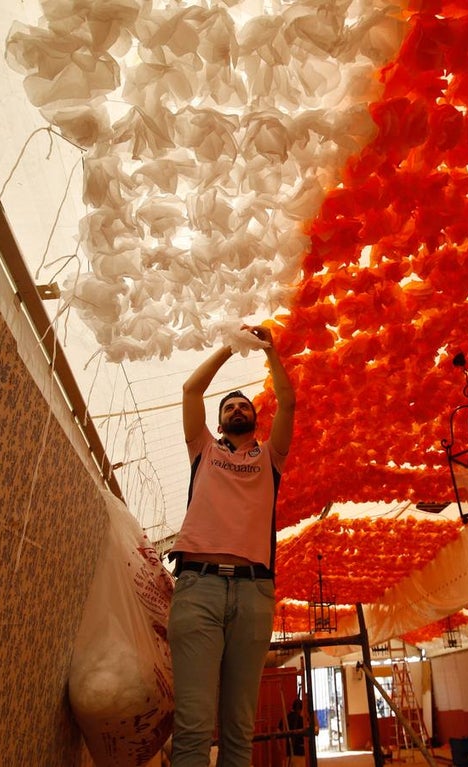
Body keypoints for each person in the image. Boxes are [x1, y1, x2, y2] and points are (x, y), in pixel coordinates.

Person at [167, 323, 296, 767]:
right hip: (197, 588)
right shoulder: (203, 449)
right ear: (220, 421)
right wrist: (231, 346)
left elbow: (290, 401)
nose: (238, 409)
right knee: (194, 725)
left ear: (254, 418)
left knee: (240, 726)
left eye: (245, 405)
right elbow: (189, 389)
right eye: (230, 406)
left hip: (254, 592)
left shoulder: (269, 458)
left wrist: (270, 353)